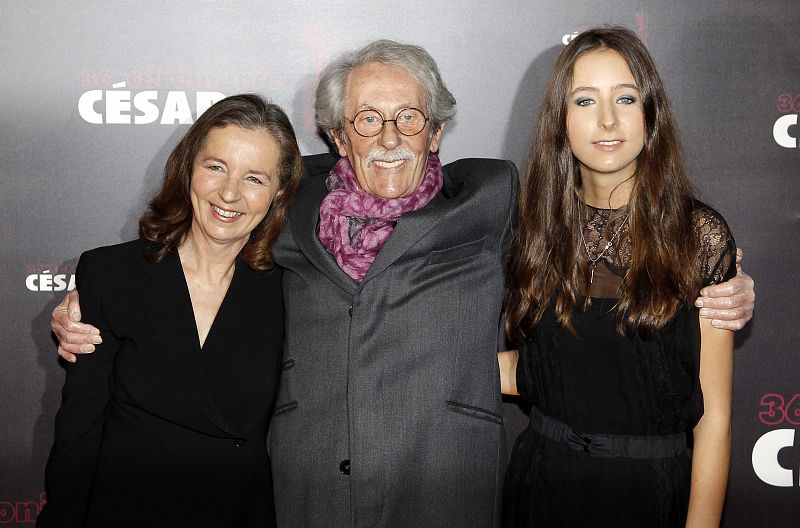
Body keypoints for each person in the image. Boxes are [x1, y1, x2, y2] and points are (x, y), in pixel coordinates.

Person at [51, 40, 754, 528]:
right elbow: (217, 225)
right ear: (338, 136)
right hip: (307, 496)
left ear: (436, 131)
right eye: (367, 119)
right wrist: (94, 302)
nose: (389, 137)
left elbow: (601, 252)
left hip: (445, 492)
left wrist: (721, 281)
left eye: (408, 118)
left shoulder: (493, 202)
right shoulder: (286, 210)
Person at [500, 27, 735, 527]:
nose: (607, 119)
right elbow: (539, 368)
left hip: (650, 494)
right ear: (560, 120)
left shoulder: (698, 236)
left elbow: (713, 418)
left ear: (650, 113)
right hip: (543, 484)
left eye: (625, 98)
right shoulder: (533, 230)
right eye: (585, 100)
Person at [37, 94, 303, 528]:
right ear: (187, 168)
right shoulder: (113, 274)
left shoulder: (292, 286)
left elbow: (360, 173)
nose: (229, 193)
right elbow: (78, 435)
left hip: (235, 513)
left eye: (255, 178)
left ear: (279, 192)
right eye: (215, 167)